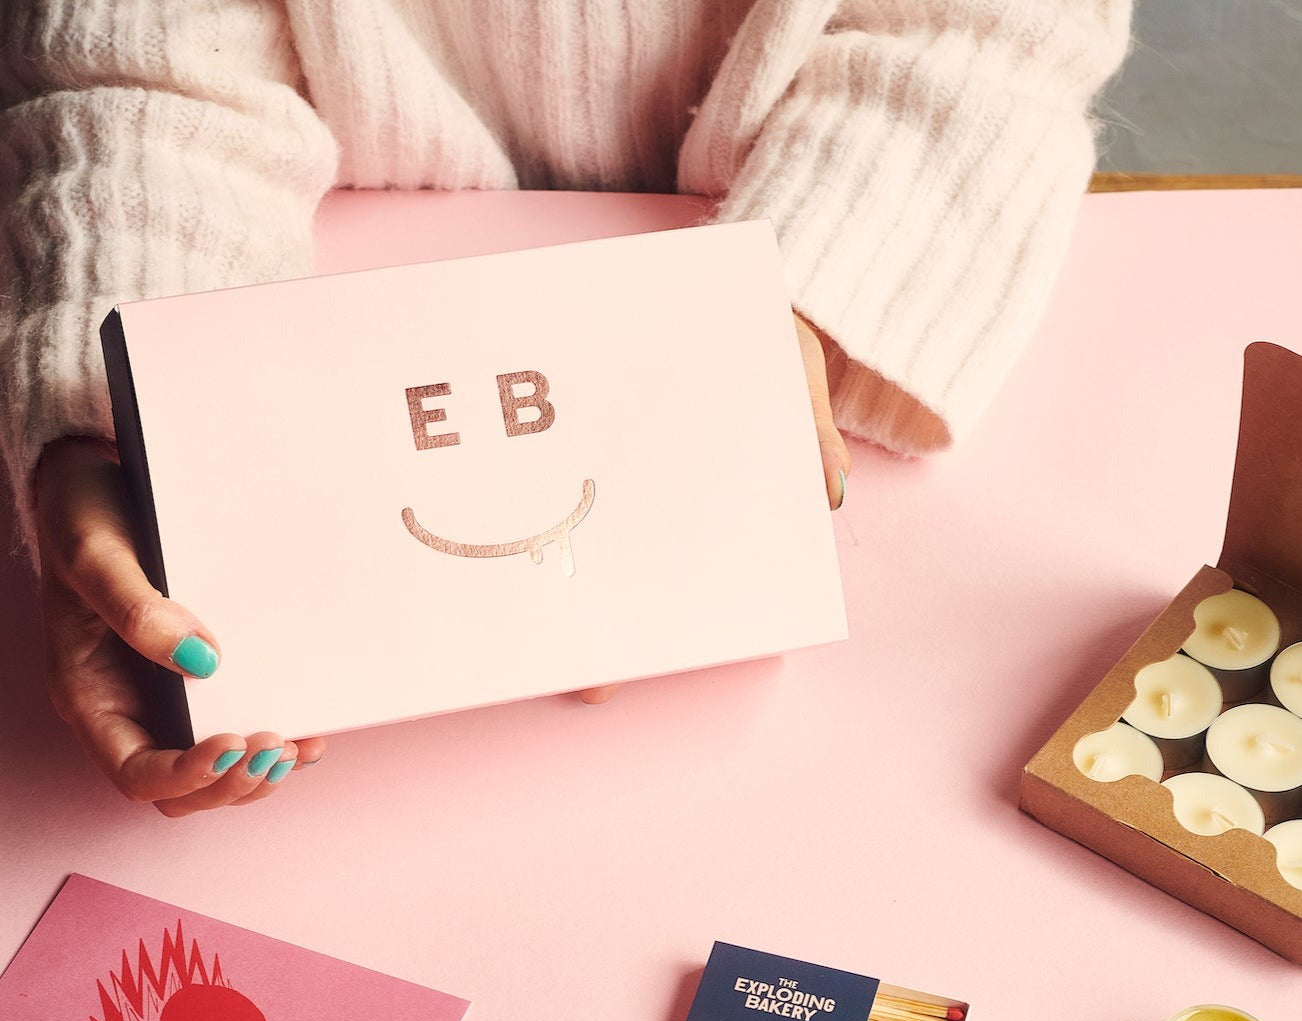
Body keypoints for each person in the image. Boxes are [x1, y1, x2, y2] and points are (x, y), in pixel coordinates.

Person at [0, 1, 1132, 817]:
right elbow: (141, 64)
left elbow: (988, 32)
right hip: (332, 319)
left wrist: (806, 298)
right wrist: (127, 411)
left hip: (804, 277)